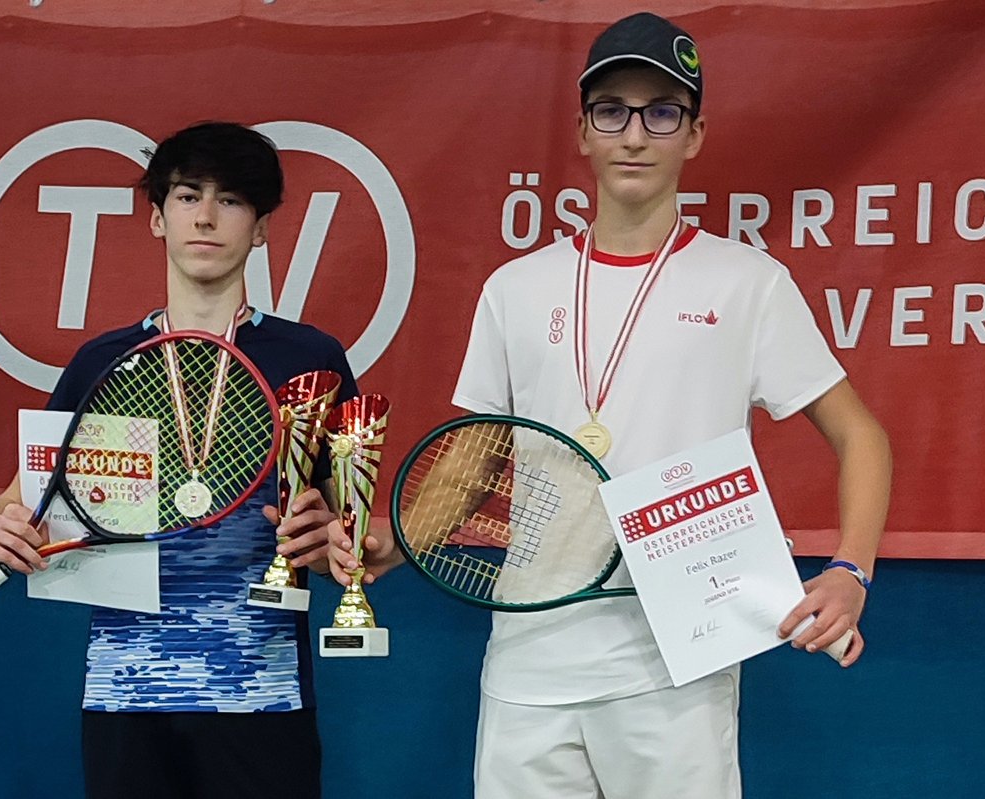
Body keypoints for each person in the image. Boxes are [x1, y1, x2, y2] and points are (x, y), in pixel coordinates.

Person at [328, 13, 891, 798]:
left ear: (693, 135)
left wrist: (850, 569)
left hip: (676, 669)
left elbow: (860, 435)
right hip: (528, 662)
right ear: (582, 132)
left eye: (660, 112)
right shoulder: (514, 289)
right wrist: (399, 543)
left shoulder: (748, 283)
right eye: (611, 111)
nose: (633, 134)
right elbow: (472, 456)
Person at [0, 121, 358, 799]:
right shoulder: (103, 361)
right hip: (125, 691)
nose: (205, 216)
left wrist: (337, 545)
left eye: (230, 200)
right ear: (157, 218)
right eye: (187, 196)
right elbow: (16, 505)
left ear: (261, 228)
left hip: (261, 692)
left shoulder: (310, 358)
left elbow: (344, 532)